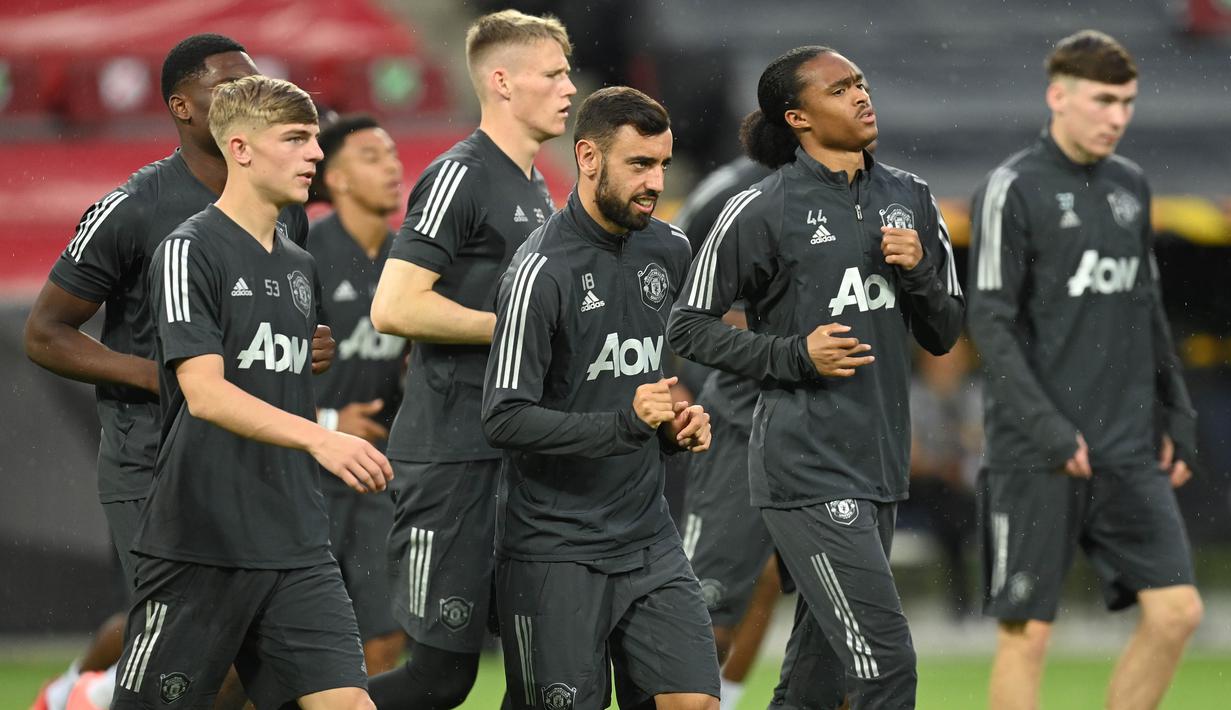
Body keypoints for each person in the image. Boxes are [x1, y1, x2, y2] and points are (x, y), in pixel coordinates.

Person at [22, 34, 329, 710]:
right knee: (196, 661)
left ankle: (92, 695)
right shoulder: (134, 207)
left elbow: (272, 327)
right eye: (227, 85)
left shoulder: (286, 210)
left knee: (269, 670)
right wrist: (162, 376)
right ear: (183, 108)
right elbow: (44, 332)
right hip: (153, 466)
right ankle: (94, 695)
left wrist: (303, 346)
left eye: (254, 82)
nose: (246, 94)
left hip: (250, 466)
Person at [667, 46, 964, 709]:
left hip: (878, 461)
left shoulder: (909, 197)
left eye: (861, 82)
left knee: (817, 680)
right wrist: (794, 355)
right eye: (839, 89)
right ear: (797, 117)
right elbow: (685, 326)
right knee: (884, 668)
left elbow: (944, 331)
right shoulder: (759, 208)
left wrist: (916, 272)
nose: (860, 96)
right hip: (802, 461)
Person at [111, 74, 391, 710]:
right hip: (201, 541)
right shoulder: (188, 250)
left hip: (295, 539)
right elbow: (205, 393)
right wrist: (324, 434)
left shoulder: (299, 263)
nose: (315, 155)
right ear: (239, 148)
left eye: (316, 140)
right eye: (295, 139)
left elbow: (277, 376)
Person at [967, 30, 1202, 710]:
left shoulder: (1131, 185)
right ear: (1057, 96)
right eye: (1102, 100)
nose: (1116, 117)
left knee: (1176, 612)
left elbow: (1148, 307)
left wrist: (1176, 412)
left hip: (1125, 448)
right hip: (1034, 453)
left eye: (1126, 102)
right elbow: (989, 321)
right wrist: (1045, 426)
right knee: (1026, 633)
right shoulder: (1011, 187)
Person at [482, 85, 719, 710]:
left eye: (663, 164)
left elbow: (647, 380)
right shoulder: (541, 270)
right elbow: (503, 418)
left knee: (694, 701)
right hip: (555, 549)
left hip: (649, 539)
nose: (655, 181)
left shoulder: (668, 250)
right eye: (639, 164)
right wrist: (624, 424)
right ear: (588, 158)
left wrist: (675, 423)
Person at [367, 9, 575, 708]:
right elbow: (394, 306)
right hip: (454, 459)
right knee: (439, 677)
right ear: (502, 82)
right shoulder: (460, 175)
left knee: (544, 672)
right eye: (552, 74)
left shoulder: (538, 182)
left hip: (520, 457)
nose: (569, 88)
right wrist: (514, 330)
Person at [673, 155, 779, 710]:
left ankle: (728, 700)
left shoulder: (857, 192)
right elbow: (659, 281)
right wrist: (664, 378)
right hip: (723, 415)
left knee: (826, 621)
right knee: (704, 601)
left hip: (818, 424)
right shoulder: (732, 193)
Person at [307, 114, 410, 676]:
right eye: (372, 156)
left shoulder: (410, 262)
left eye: (393, 153)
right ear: (338, 179)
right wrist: (326, 419)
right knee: (276, 649)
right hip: (296, 471)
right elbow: (247, 372)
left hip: (373, 475)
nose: (393, 165)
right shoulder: (301, 254)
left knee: (386, 638)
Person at [905, 336, 981, 620]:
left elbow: (986, 448)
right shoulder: (912, 394)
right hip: (923, 488)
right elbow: (909, 457)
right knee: (947, 503)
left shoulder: (976, 394)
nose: (948, 364)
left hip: (969, 487)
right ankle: (962, 605)